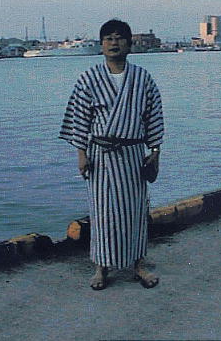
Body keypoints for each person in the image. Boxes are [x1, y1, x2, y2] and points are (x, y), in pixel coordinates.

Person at [60, 19, 164, 290]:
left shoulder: (143, 79)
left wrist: (155, 152)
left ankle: (138, 264)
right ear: (101, 44)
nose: (114, 43)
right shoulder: (88, 79)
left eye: (119, 38)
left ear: (129, 44)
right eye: (108, 38)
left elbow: (153, 118)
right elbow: (79, 120)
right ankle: (101, 267)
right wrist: (81, 154)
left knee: (135, 211)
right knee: (103, 212)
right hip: (101, 156)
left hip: (132, 155)